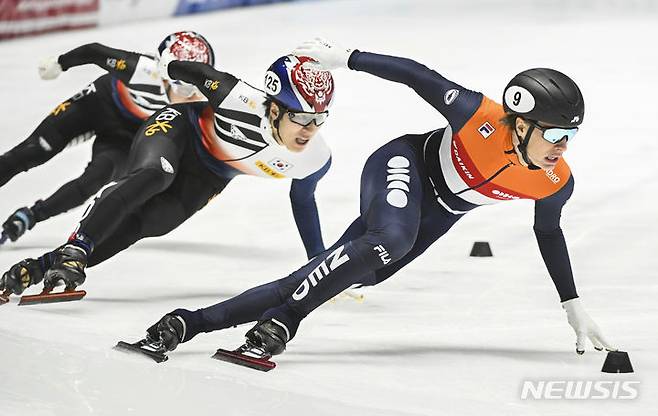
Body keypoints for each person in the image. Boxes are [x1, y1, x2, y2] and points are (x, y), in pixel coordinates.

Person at [141, 38, 616, 360]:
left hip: (441, 212)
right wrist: (346, 57)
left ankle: (190, 323)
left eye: (571, 135)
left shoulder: (555, 181)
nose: (563, 145)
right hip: (405, 163)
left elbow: (548, 231)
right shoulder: (478, 115)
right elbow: (416, 76)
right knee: (391, 239)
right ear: (522, 123)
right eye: (556, 133)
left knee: (342, 272)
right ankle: (283, 324)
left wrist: (571, 303)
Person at [0, 51, 335, 299]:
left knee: (153, 222)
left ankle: (44, 265)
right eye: (301, 118)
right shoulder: (237, 98)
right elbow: (198, 72)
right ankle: (77, 247)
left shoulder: (315, 158)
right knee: (154, 174)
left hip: (210, 173)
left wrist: (318, 259)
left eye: (319, 119)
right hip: (178, 129)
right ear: (274, 109)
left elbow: (303, 200)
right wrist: (168, 67)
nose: (309, 130)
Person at [0, 31, 214, 244]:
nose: (189, 96)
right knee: (36, 149)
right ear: (164, 73)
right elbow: (94, 52)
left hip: (129, 137)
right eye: (184, 89)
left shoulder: (204, 96)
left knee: (94, 179)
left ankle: (30, 216)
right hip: (97, 106)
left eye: (194, 88)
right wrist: (60, 63)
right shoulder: (143, 70)